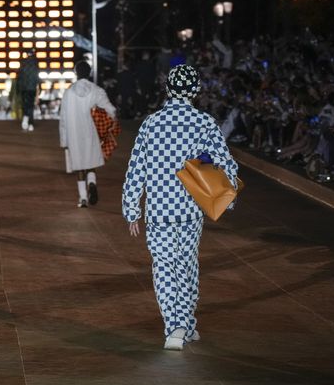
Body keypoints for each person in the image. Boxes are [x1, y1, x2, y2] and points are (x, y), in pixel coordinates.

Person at [122, 64, 239, 351]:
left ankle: (175, 327)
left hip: (159, 208)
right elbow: (225, 163)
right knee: (186, 265)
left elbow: (136, 168)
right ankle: (185, 323)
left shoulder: (151, 123)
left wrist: (132, 209)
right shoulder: (204, 122)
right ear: (196, 91)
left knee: (163, 267)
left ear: (168, 89)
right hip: (190, 208)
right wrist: (229, 197)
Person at [60, 60, 117, 207]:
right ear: (90, 73)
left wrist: (64, 141)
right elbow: (110, 109)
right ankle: (92, 183)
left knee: (79, 166)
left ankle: (83, 198)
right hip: (90, 131)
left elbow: (63, 119)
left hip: (73, 133)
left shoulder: (68, 92)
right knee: (91, 162)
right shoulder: (95, 90)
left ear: (76, 73)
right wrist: (112, 121)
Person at [17, 49, 40, 131]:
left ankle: (25, 119)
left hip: (24, 88)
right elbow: (37, 77)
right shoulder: (35, 63)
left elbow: (19, 77)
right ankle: (30, 123)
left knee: (25, 104)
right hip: (32, 88)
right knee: (31, 105)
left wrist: (18, 89)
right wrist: (39, 87)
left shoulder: (23, 63)